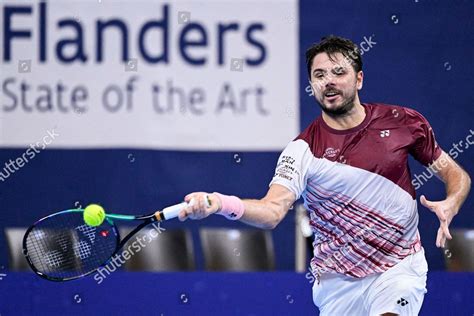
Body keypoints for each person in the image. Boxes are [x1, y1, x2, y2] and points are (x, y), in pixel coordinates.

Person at [178, 36, 471, 315]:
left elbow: (455, 174)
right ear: (311, 85)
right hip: (337, 285)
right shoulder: (302, 151)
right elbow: (271, 211)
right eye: (319, 75)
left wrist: (452, 202)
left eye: (339, 72)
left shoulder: (403, 123)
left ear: (359, 79)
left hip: (399, 267)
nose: (328, 81)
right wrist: (219, 202)